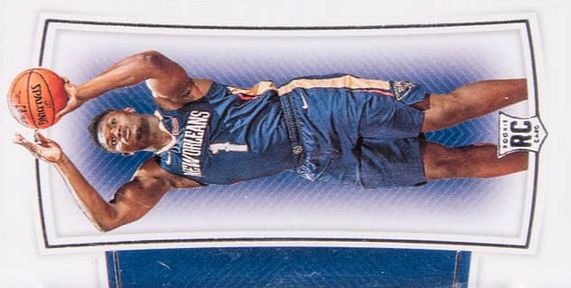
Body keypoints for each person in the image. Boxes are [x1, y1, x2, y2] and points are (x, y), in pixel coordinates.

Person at [14, 51, 528, 232]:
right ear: (126, 153)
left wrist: (81, 93)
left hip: (312, 110)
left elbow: (149, 62)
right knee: (446, 165)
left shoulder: (176, 97)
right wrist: (61, 162)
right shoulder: (159, 174)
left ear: (128, 110)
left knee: (443, 113)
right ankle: (546, 156)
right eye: (111, 143)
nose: (116, 134)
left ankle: (548, 79)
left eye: (112, 123)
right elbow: (108, 220)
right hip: (319, 162)